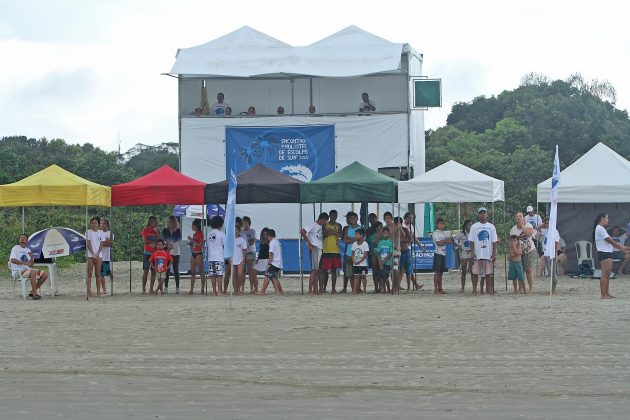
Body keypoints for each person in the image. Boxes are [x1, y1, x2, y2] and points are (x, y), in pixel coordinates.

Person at [594, 213, 629, 299]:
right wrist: (621, 247)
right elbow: (610, 241)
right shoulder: (600, 228)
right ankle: (603, 294)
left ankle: (607, 293)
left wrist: (622, 248)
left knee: (608, 274)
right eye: (606, 218)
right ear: (602, 219)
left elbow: (611, 242)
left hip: (607, 252)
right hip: (604, 252)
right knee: (605, 274)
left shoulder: (602, 229)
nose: (608, 220)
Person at [9, 233, 49, 300]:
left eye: (24, 238)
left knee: (45, 274)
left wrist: (31, 257)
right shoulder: (15, 248)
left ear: (27, 241)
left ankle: (33, 291)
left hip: (27, 270)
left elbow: (31, 264)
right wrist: (25, 263)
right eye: (21, 237)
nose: (22, 239)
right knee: (32, 272)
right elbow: (12, 260)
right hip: (18, 271)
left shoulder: (28, 250)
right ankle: (35, 294)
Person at [469, 207, 498, 296]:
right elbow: (471, 240)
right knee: (475, 273)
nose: (483, 215)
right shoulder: (474, 226)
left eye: (484, 213)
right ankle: (474, 290)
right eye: (481, 213)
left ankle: (488, 290)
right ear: (478, 215)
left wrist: (494, 253)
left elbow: (494, 241)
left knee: (489, 273)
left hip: (488, 253)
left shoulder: (491, 226)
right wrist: (472, 252)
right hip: (477, 254)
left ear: (487, 214)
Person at [301, 212, 328, 295]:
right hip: (315, 248)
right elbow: (302, 231)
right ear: (322, 219)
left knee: (317, 270)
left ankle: (315, 289)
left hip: (319, 248)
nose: (325, 223)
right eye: (325, 221)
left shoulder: (319, 226)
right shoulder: (313, 224)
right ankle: (310, 290)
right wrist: (309, 243)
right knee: (314, 270)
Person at [510, 211, 537, 293]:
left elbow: (528, 234)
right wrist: (511, 253)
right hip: (518, 252)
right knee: (520, 270)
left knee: (528, 269)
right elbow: (511, 242)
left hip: (529, 250)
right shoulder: (513, 229)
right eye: (517, 216)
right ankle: (520, 288)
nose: (518, 218)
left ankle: (531, 288)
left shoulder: (528, 225)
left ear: (523, 218)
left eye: (520, 216)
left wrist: (522, 225)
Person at [319, 210, 342, 293]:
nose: (334, 217)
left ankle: (333, 289)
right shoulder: (324, 224)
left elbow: (340, 236)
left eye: (335, 216)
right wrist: (328, 234)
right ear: (329, 216)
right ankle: (322, 288)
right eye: (332, 216)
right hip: (326, 250)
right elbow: (321, 236)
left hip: (335, 251)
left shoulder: (339, 225)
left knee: (334, 271)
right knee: (323, 271)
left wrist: (332, 232)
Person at [258, 229, 283, 295]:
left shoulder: (272, 243)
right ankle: (279, 291)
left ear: (268, 236)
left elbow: (271, 254)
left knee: (267, 276)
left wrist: (269, 264)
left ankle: (262, 291)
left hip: (274, 263)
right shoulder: (277, 241)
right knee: (273, 277)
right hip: (278, 263)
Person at [431, 218, 452, 294]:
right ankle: (436, 289)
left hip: (443, 254)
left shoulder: (443, 233)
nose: (441, 225)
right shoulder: (435, 233)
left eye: (442, 224)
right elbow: (439, 244)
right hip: (438, 254)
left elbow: (449, 241)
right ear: (436, 224)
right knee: (437, 272)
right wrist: (445, 241)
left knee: (441, 272)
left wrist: (444, 241)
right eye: (439, 223)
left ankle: (440, 288)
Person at [206, 216, 226, 296]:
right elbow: (225, 245)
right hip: (219, 257)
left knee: (213, 275)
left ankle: (214, 291)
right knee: (219, 275)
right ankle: (219, 291)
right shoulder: (222, 234)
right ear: (220, 224)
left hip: (211, 257)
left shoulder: (208, 234)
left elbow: (207, 245)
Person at [342, 212, 361, 293]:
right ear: (349, 219)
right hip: (349, 253)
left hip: (358, 254)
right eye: (351, 218)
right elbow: (345, 240)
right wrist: (355, 239)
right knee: (350, 273)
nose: (353, 220)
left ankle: (357, 289)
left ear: (357, 219)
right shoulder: (347, 229)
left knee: (357, 273)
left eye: (354, 218)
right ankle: (354, 289)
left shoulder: (361, 228)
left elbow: (361, 239)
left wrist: (350, 239)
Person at [162, 216, 181, 294]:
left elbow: (179, 240)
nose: (167, 222)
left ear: (173, 222)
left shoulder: (178, 230)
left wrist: (172, 245)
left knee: (176, 269)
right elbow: (164, 240)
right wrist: (168, 245)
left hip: (176, 251)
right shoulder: (164, 230)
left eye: (169, 221)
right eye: (167, 221)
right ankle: (166, 287)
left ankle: (177, 287)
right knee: (167, 269)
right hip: (167, 251)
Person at [141, 216, 161, 294]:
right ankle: (143, 289)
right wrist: (153, 242)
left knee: (153, 271)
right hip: (147, 253)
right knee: (146, 271)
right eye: (151, 221)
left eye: (154, 221)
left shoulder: (157, 230)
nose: (153, 222)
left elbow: (160, 240)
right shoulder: (145, 229)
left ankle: (151, 289)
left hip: (155, 253)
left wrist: (156, 232)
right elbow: (145, 241)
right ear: (149, 221)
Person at [86, 216, 104, 297]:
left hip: (99, 255)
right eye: (92, 223)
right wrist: (93, 254)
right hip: (90, 255)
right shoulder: (88, 232)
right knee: (89, 274)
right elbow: (88, 243)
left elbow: (101, 244)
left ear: (98, 224)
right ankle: (89, 291)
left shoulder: (101, 232)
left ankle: (98, 291)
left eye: (95, 223)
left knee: (98, 274)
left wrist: (97, 255)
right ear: (90, 224)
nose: (94, 224)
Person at [454, 220, 472, 292]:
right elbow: (454, 239)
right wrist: (458, 245)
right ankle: (462, 288)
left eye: (471, 224)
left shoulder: (473, 233)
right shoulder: (461, 234)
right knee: (463, 271)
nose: (470, 226)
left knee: (473, 271)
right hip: (464, 253)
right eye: (469, 225)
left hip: (471, 253)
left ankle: (474, 287)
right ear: (465, 226)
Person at [187, 219, 205, 294]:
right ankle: (191, 289)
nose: (192, 227)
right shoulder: (194, 234)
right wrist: (190, 243)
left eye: (193, 225)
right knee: (193, 271)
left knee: (201, 271)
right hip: (193, 253)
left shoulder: (200, 234)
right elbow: (194, 244)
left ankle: (202, 288)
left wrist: (192, 240)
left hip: (198, 253)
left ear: (196, 226)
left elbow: (200, 246)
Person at [241, 216, 258, 293]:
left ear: (249, 222)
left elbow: (252, 241)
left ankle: (252, 287)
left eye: (245, 221)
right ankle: (242, 288)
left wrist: (245, 243)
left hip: (251, 251)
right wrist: (246, 243)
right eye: (243, 221)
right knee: (242, 271)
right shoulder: (241, 232)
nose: (244, 223)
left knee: (250, 271)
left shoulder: (252, 231)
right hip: (242, 252)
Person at [351, 228, 370, 294]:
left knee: (363, 276)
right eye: (355, 234)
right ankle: (355, 290)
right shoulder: (354, 244)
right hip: (355, 263)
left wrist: (360, 261)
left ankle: (364, 289)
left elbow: (366, 254)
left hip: (363, 264)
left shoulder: (365, 244)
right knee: (356, 276)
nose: (355, 236)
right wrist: (353, 260)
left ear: (361, 235)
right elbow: (352, 252)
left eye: (357, 234)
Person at [376, 226, 394, 293]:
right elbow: (378, 253)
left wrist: (384, 261)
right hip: (381, 262)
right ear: (382, 234)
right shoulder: (380, 243)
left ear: (389, 234)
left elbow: (390, 253)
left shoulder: (391, 242)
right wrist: (380, 262)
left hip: (387, 262)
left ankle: (388, 288)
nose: (385, 235)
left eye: (387, 233)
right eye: (384, 233)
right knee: (381, 276)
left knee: (386, 277)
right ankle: (383, 288)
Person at [367, 221, 383, 292]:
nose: (382, 228)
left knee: (381, 271)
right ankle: (376, 288)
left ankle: (381, 287)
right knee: (375, 271)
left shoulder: (384, 236)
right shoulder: (371, 236)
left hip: (382, 255)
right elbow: (366, 245)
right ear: (376, 228)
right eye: (380, 227)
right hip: (373, 255)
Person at [232, 225, 248, 295]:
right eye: (234, 230)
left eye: (236, 230)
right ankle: (235, 290)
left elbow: (244, 251)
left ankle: (238, 288)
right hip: (232, 259)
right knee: (233, 275)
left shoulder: (242, 240)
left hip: (240, 259)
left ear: (239, 231)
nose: (235, 231)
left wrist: (244, 260)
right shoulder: (230, 240)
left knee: (240, 274)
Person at [99, 218, 114, 295]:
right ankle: (104, 289)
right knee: (101, 273)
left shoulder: (109, 233)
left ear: (107, 225)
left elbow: (109, 244)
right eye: (101, 223)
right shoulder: (98, 232)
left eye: (104, 223)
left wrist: (100, 243)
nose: (102, 225)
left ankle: (110, 273)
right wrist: (103, 242)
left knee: (104, 272)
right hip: (99, 255)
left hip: (106, 255)